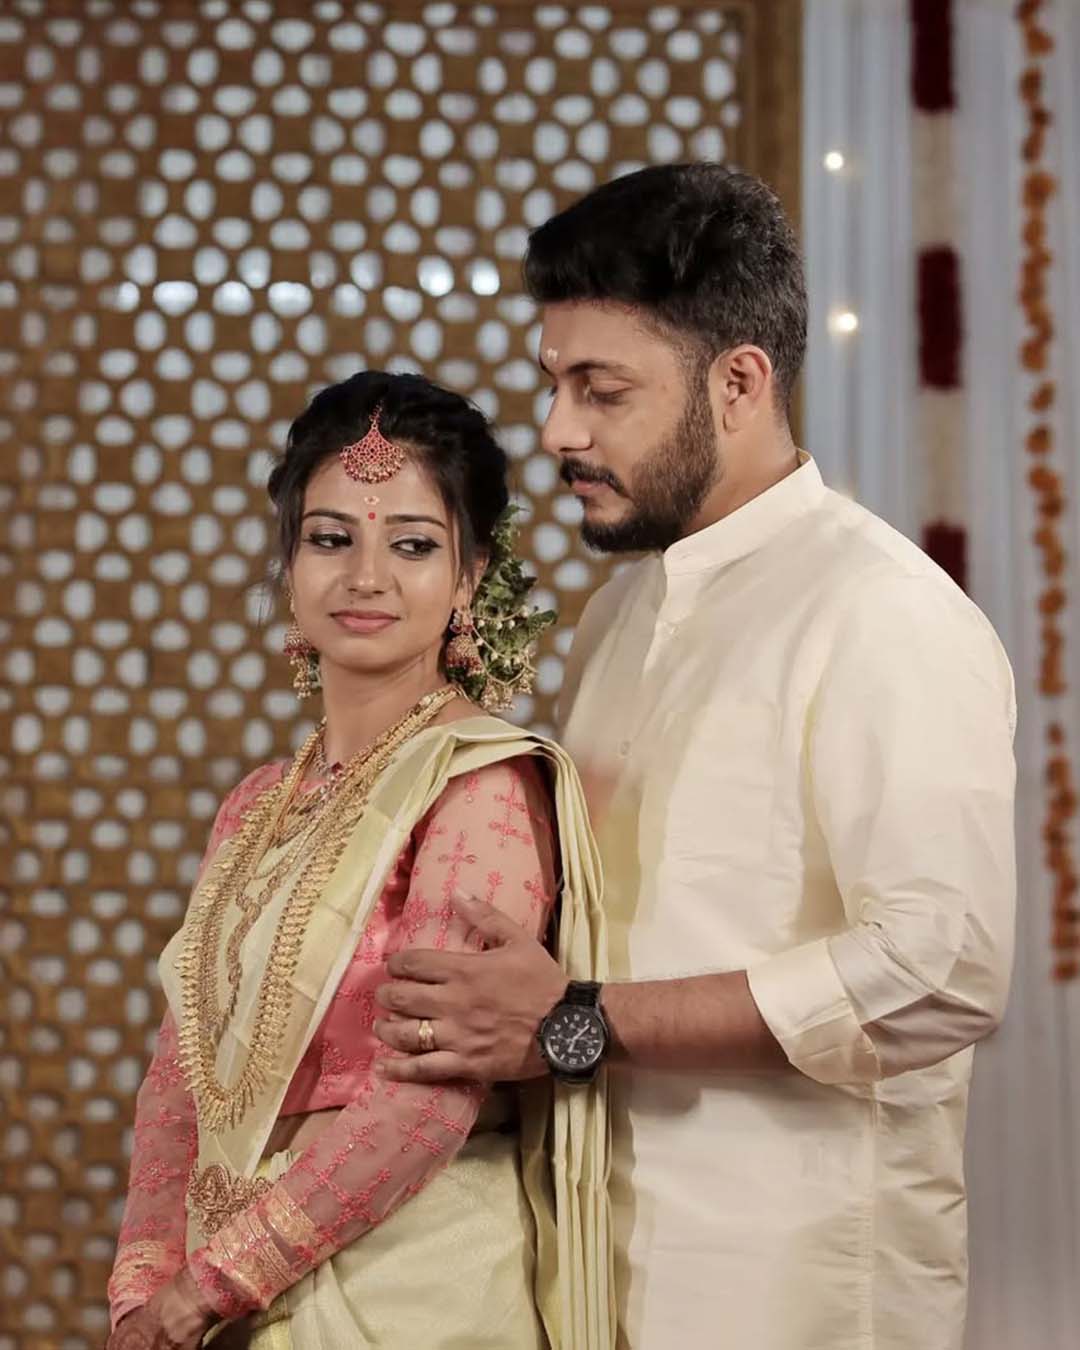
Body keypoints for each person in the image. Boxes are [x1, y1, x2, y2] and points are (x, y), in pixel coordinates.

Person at [373, 164, 1017, 1350]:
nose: (560, 430)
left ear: (739, 382)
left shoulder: (880, 613)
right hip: (594, 1269)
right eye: (555, 384)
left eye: (600, 389)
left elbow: (942, 966)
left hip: (792, 1289)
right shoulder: (619, 619)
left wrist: (573, 1021)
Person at [105, 371, 614, 1349]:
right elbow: (180, 1073)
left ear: (469, 579)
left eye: (414, 545)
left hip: (401, 1287)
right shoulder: (258, 804)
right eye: (331, 538)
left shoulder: (481, 789)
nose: (366, 576)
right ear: (288, 565)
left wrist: (214, 1285)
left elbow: (423, 1098)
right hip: (225, 1293)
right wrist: (141, 1284)